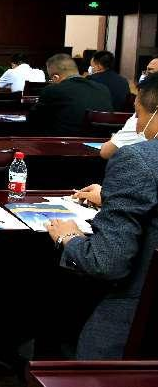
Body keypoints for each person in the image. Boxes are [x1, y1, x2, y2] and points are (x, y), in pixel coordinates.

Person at [46, 72, 158, 360]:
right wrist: (112, 195)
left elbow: (106, 262)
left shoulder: (137, 158)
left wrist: (69, 238)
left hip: (138, 312)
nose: (137, 124)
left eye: (138, 115)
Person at [30, 54, 113, 136]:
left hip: (64, 141)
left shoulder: (52, 90)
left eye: (51, 80)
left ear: (55, 77)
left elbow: (35, 119)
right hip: (101, 141)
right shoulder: (103, 89)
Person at [98, 57, 158, 160]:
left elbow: (106, 152)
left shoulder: (146, 110)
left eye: (150, 71)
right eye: (146, 71)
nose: (145, 75)